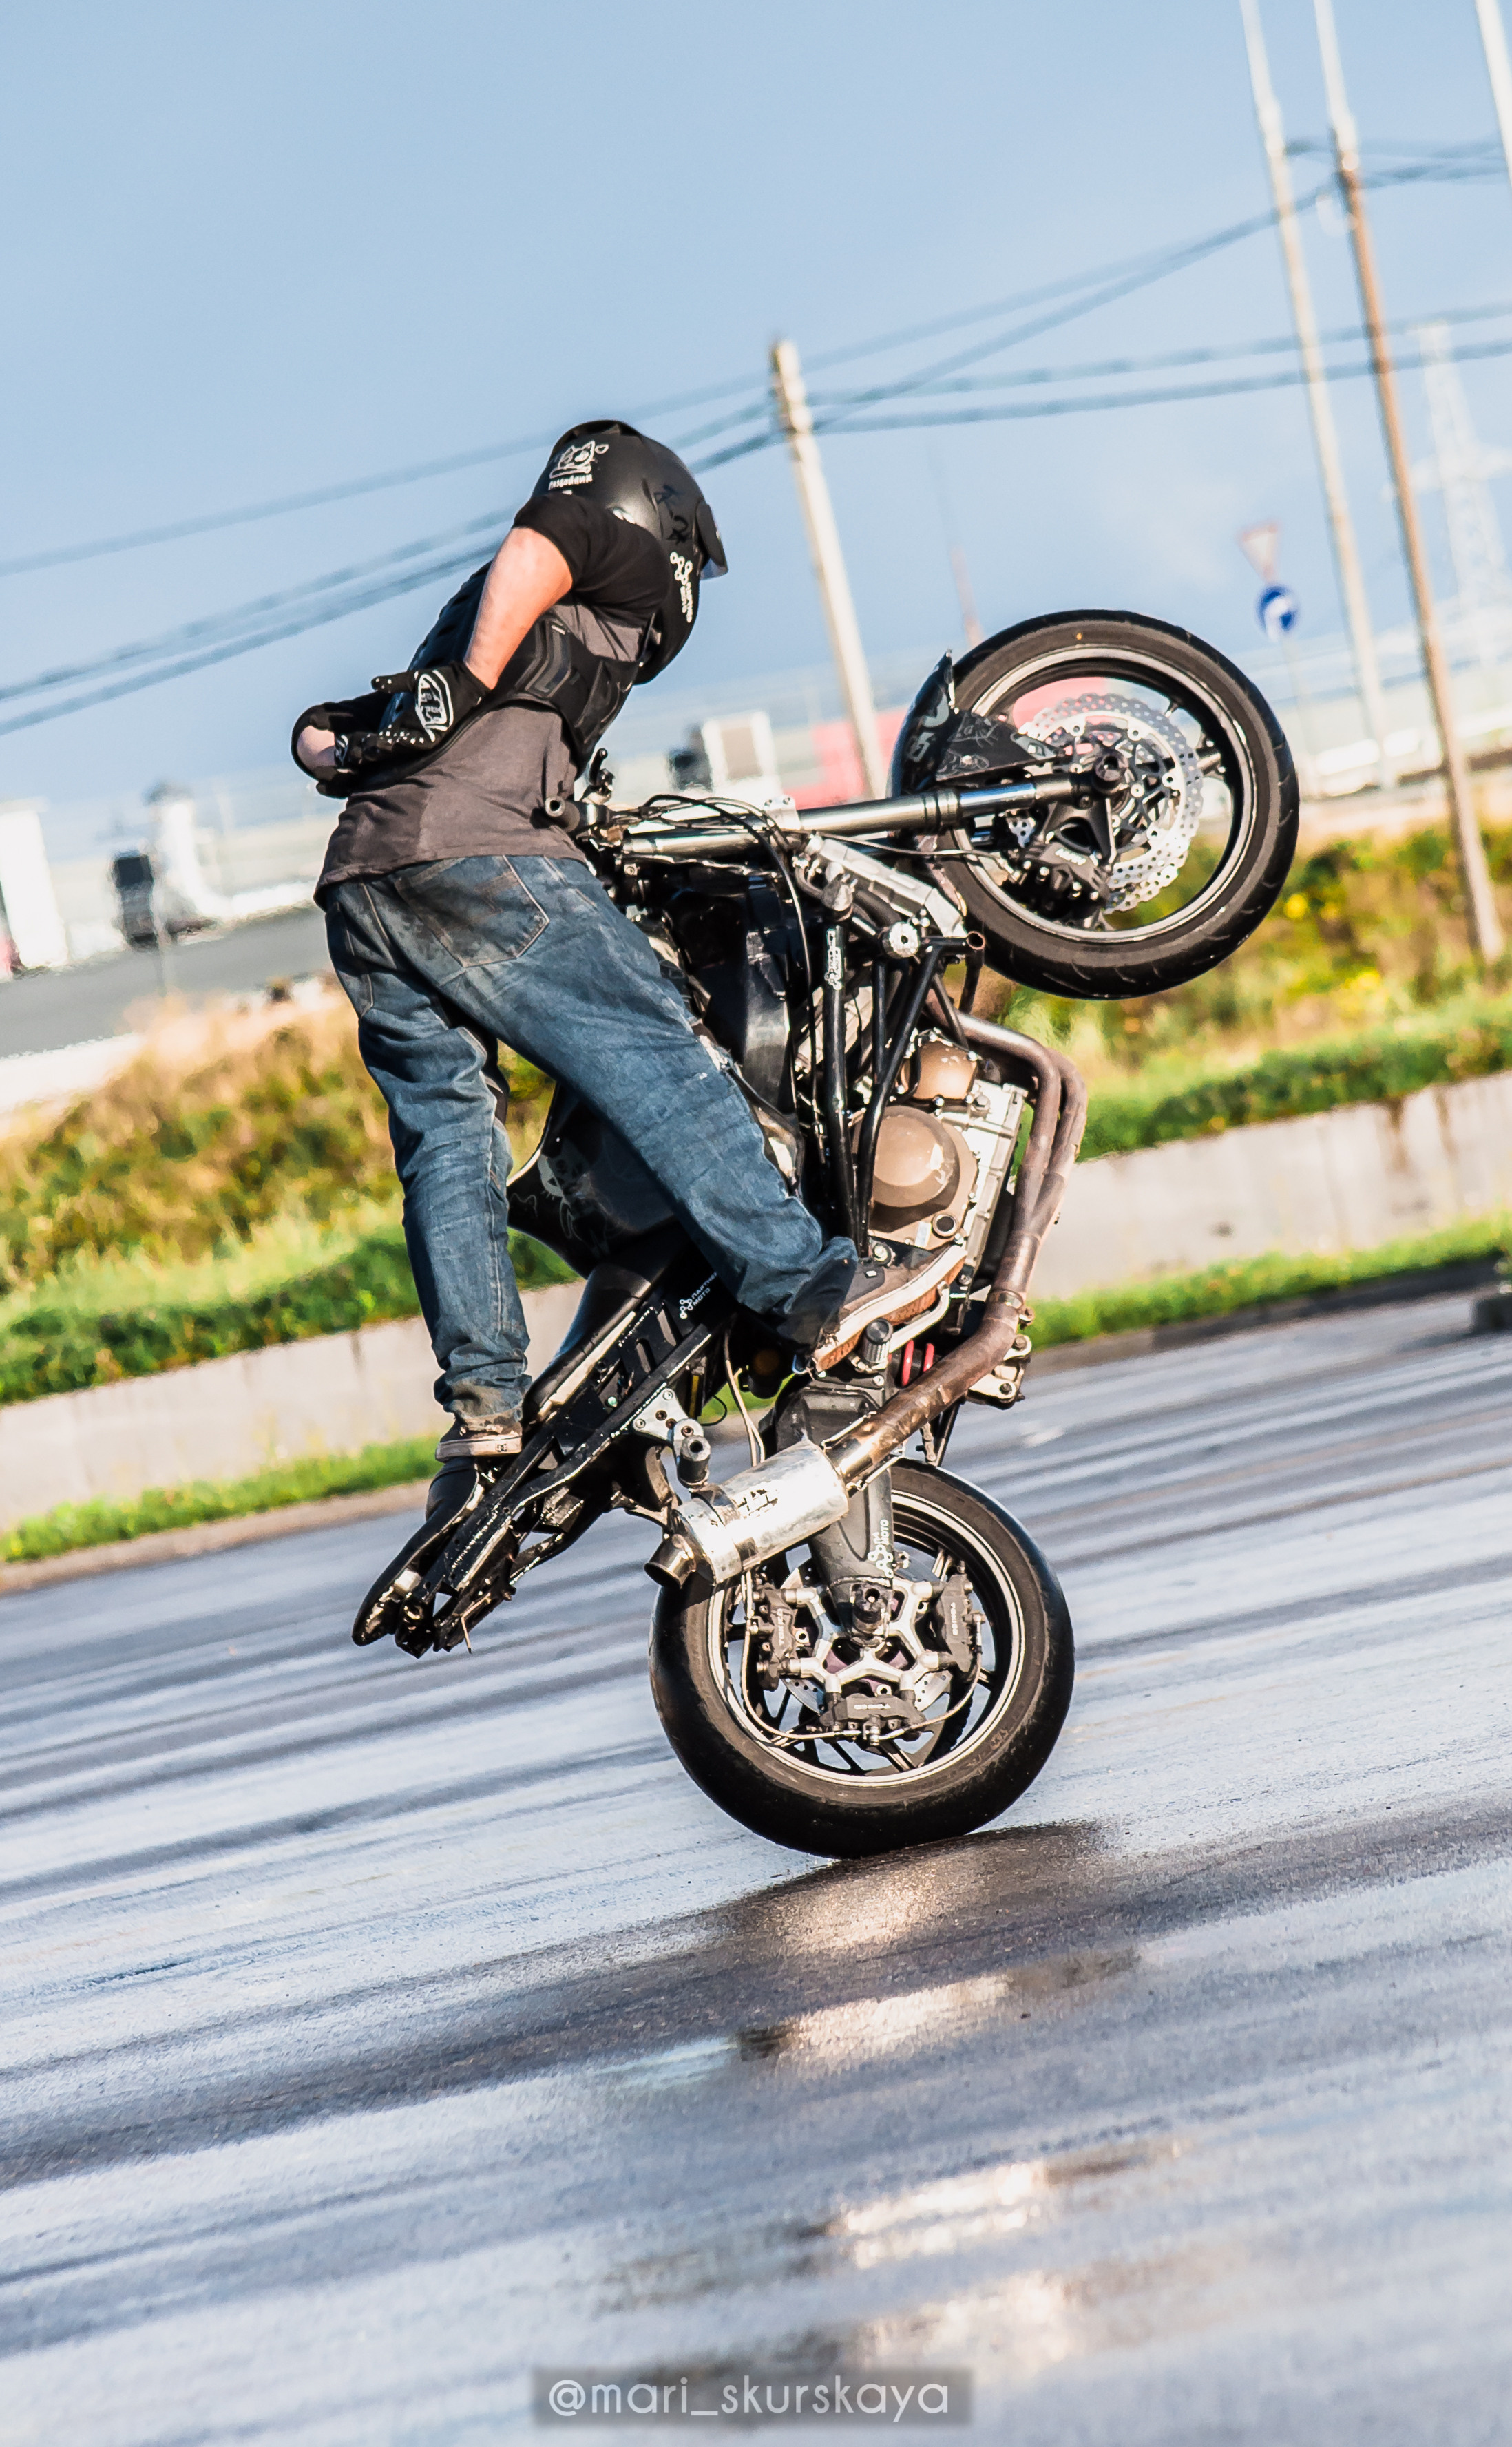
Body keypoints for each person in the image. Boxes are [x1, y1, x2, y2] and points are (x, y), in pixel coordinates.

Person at [295, 421, 963, 1477]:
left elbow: (317, 741)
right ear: (664, 519)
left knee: (448, 1135)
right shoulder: (607, 544)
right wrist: (469, 687)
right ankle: (806, 1286)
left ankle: (484, 1405)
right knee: (655, 1051)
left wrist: (413, 716)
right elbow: (535, 546)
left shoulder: (484, 618)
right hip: (474, 854)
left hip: (366, 879)